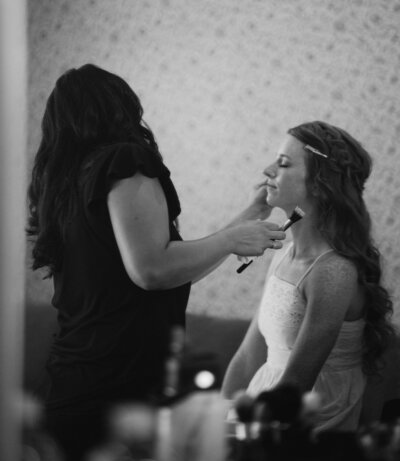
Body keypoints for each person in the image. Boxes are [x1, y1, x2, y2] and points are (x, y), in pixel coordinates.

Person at [26, 64, 285, 460]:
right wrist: (231, 239)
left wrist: (249, 215)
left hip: (75, 380)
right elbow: (152, 270)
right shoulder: (125, 160)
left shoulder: (66, 184)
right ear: (121, 107)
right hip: (119, 384)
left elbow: (171, 264)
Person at [222, 121, 394, 433]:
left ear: (319, 183)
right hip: (262, 407)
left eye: (283, 163)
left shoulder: (333, 271)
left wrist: (242, 438)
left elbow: (296, 385)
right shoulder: (284, 254)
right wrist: (218, 419)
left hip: (306, 421)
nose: (267, 169)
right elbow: (249, 355)